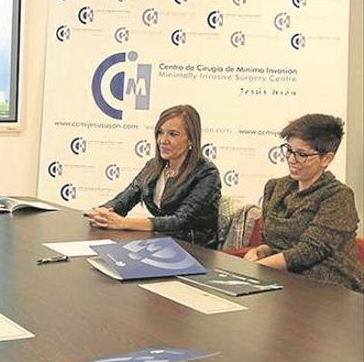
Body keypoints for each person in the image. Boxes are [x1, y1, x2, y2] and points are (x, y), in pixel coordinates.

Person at [244, 114, 362, 292]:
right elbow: (273, 242)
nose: (291, 159)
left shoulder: (339, 196)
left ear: (326, 159)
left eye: (301, 155)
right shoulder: (275, 187)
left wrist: (254, 269)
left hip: (330, 290)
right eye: (289, 150)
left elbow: (308, 251)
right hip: (281, 283)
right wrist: (261, 251)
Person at [86, 104, 221, 248]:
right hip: (162, 244)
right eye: (160, 133)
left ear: (191, 139)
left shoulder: (207, 174)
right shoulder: (153, 166)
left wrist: (124, 223)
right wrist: (104, 212)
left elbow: (180, 220)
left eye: (173, 134)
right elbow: (124, 200)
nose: (163, 140)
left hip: (195, 250)